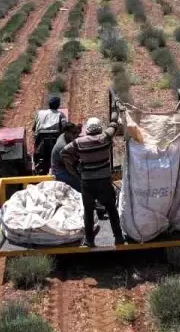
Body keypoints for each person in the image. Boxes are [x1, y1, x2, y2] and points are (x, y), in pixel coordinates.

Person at [61, 116, 126, 247]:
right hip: (104, 181)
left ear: (88, 130)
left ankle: (89, 240)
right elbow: (113, 127)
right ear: (99, 129)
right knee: (111, 209)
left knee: (88, 211)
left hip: (87, 182)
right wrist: (114, 118)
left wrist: (75, 166)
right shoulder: (105, 138)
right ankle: (118, 238)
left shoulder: (79, 142)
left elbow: (64, 153)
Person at [32, 95, 67, 175]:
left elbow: (34, 128)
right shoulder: (61, 115)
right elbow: (65, 127)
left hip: (40, 144)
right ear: (58, 105)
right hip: (56, 144)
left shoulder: (39, 113)